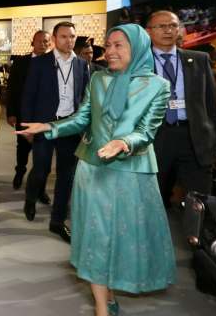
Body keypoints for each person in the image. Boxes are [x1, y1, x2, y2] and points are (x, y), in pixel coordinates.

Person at [18, 24, 176, 316]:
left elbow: (146, 131)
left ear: (137, 48)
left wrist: (123, 143)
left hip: (132, 174)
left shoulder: (157, 86)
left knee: (122, 240)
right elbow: (82, 119)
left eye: (118, 45)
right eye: (108, 45)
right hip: (92, 170)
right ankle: (102, 307)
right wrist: (49, 127)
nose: (110, 51)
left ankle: (111, 295)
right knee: (96, 238)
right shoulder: (98, 79)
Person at [21, 21, 89, 243]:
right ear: (54, 39)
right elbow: (29, 94)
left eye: (72, 37)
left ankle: (57, 221)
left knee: (66, 176)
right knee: (41, 169)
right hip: (44, 125)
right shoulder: (40, 63)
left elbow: (86, 98)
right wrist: (27, 126)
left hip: (69, 127)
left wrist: (85, 126)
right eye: (64, 36)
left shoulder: (82, 65)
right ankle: (31, 198)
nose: (69, 41)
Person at [146, 10, 216, 207]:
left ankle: (197, 228)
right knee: (151, 199)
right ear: (149, 31)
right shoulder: (139, 63)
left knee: (200, 201)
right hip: (155, 136)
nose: (168, 30)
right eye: (161, 26)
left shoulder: (199, 59)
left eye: (173, 25)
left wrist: (214, 141)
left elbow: (211, 105)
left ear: (179, 29)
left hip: (193, 137)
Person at [6, 30, 51, 189]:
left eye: (46, 41)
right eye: (39, 41)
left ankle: (41, 187)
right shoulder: (21, 62)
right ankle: (20, 172)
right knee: (23, 147)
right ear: (33, 42)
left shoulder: (54, 63)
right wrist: (11, 112)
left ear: (50, 43)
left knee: (44, 152)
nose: (43, 44)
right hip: (23, 113)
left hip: (45, 116)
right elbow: (12, 88)